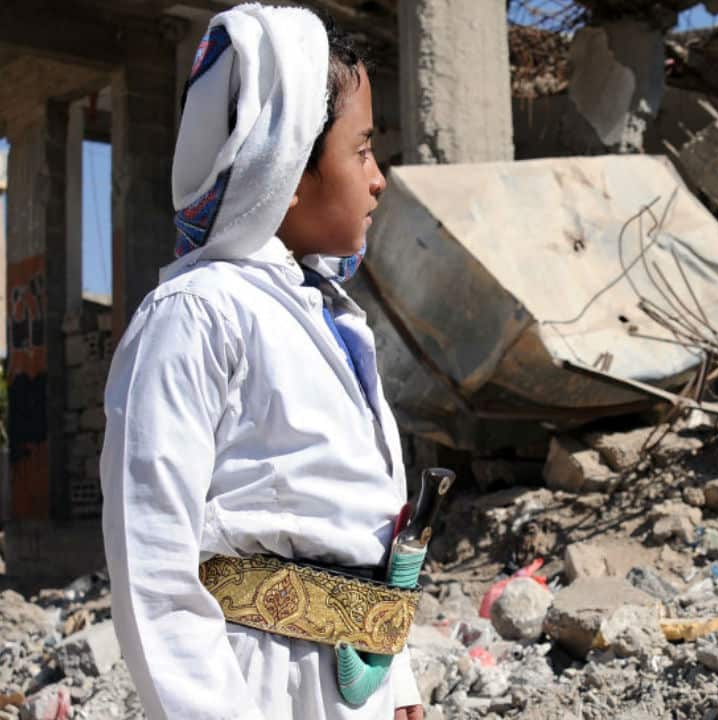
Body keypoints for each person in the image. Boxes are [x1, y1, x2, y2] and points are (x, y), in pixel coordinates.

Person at [100, 5, 425, 718]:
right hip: (262, 687)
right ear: (289, 166)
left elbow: (358, 525)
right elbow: (152, 560)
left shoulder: (331, 315)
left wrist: (395, 681)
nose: (378, 180)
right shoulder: (195, 314)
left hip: (351, 686)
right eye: (362, 150)